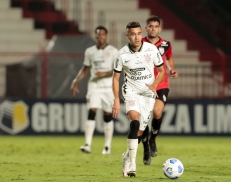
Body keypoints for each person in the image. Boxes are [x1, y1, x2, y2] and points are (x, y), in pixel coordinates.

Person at [112, 21, 165, 177]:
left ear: (142, 34)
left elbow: (161, 71)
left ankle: (126, 157)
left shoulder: (151, 49)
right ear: (127, 35)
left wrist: (155, 85)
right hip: (131, 92)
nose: (136, 37)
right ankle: (132, 165)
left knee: (140, 132)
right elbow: (115, 78)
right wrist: (116, 99)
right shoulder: (121, 54)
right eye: (133, 34)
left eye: (139, 33)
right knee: (134, 123)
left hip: (148, 94)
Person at [71, 26, 118, 155]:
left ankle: (107, 146)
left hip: (108, 87)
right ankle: (87, 144)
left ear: (106, 36)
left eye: (103, 34)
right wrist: (76, 81)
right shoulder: (90, 51)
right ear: (96, 36)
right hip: (94, 86)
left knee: (107, 115)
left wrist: (105, 73)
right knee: (92, 110)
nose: (100, 36)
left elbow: (117, 70)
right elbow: (86, 68)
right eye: (98, 34)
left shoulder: (114, 51)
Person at [141, 15, 179, 165]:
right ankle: (145, 149)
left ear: (160, 28)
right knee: (143, 119)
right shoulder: (140, 43)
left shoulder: (166, 44)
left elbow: (169, 58)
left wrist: (172, 69)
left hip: (161, 84)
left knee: (157, 112)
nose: (153, 29)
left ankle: (152, 139)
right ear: (146, 28)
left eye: (156, 26)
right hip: (144, 85)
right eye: (150, 26)